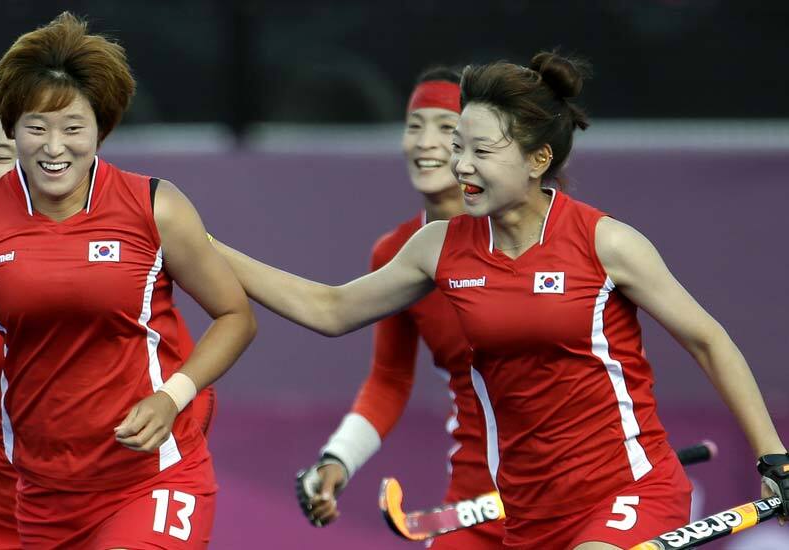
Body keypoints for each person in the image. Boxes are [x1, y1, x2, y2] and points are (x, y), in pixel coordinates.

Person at [212, 51, 788, 549]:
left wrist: (773, 458)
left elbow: (707, 341)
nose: (460, 164)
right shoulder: (436, 247)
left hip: (628, 488)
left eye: (480, 151)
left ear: (538, 161)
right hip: (527, 511)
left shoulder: (606, 242)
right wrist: (202, 245)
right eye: (459, 147)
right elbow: (329, 310)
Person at [0, 13, 255, 549]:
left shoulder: (155, 206)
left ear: (101, 128)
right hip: (44, 497)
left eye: (73, 128)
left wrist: (172, 397)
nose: (54, 147)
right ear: (12, 127)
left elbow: (236, 317)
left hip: (154, 477)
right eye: (35, 128)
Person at [295, 66, 504, 548]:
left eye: (447, 127)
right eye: (414, 126)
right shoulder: (394, 253)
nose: (425, 142)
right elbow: (389, 379)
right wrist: (337, 459)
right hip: (478, 495)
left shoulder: (531, 235)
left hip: (575, 489)